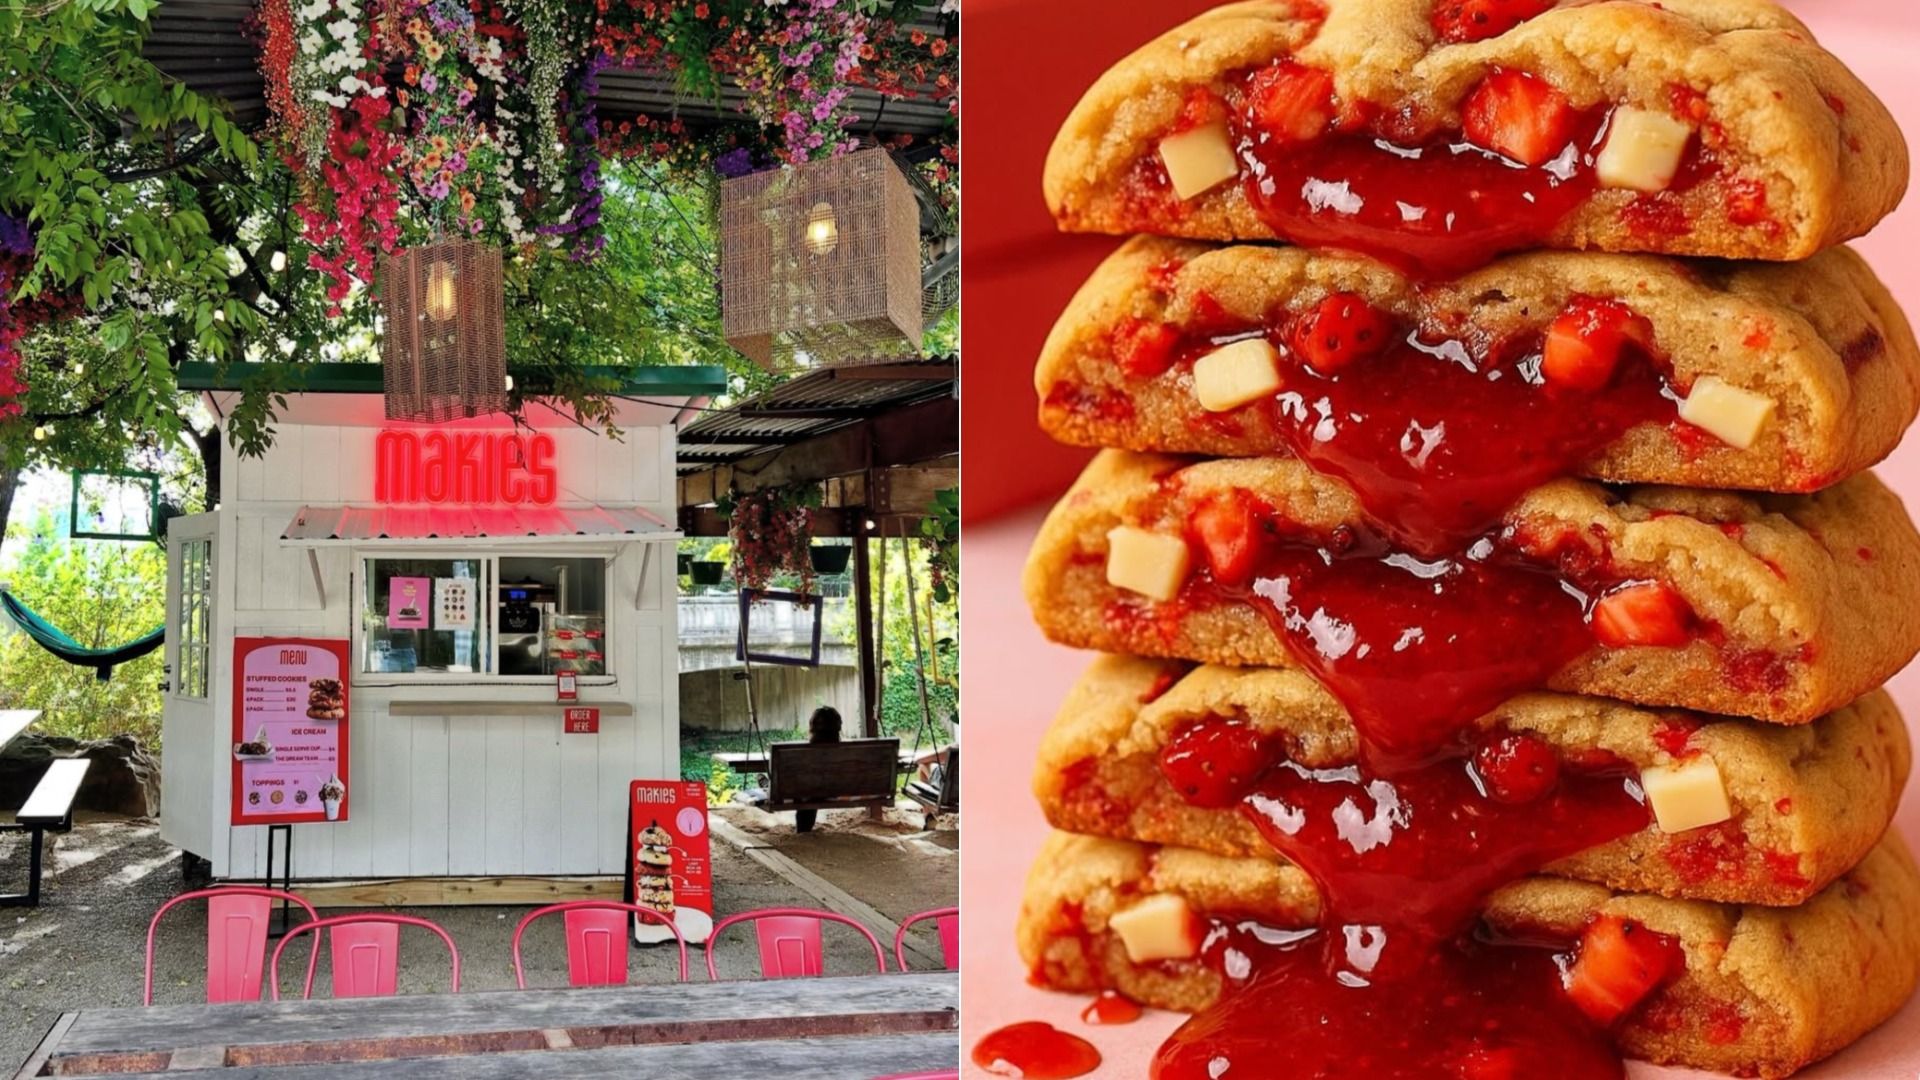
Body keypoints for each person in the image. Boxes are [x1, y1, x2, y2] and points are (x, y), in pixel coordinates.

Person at [795, 705, 842, 833]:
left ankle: (803, 831)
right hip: (834, 790)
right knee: (814, 788)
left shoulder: (803, 752)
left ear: (813, 726)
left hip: (810, 792)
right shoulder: (844, 751)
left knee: (807, 790)